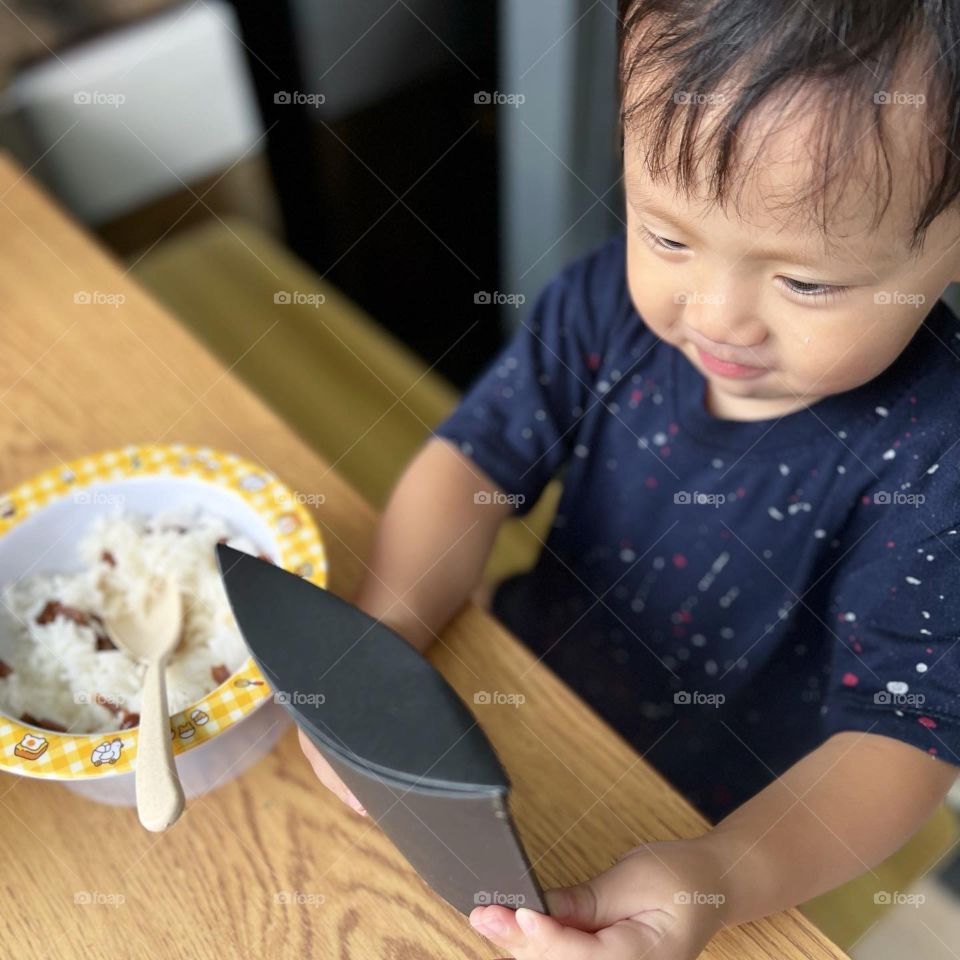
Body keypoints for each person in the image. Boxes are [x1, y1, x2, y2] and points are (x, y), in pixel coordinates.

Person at [302, 1, 960, 955]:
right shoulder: (606, 301)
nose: (718, 314)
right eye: (668, 234)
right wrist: (388, 632)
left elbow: (904, 737)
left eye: (808, 283)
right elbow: (473, 463)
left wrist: (723, 872)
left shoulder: (935, 451)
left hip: (741, 824)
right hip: (519, 695)